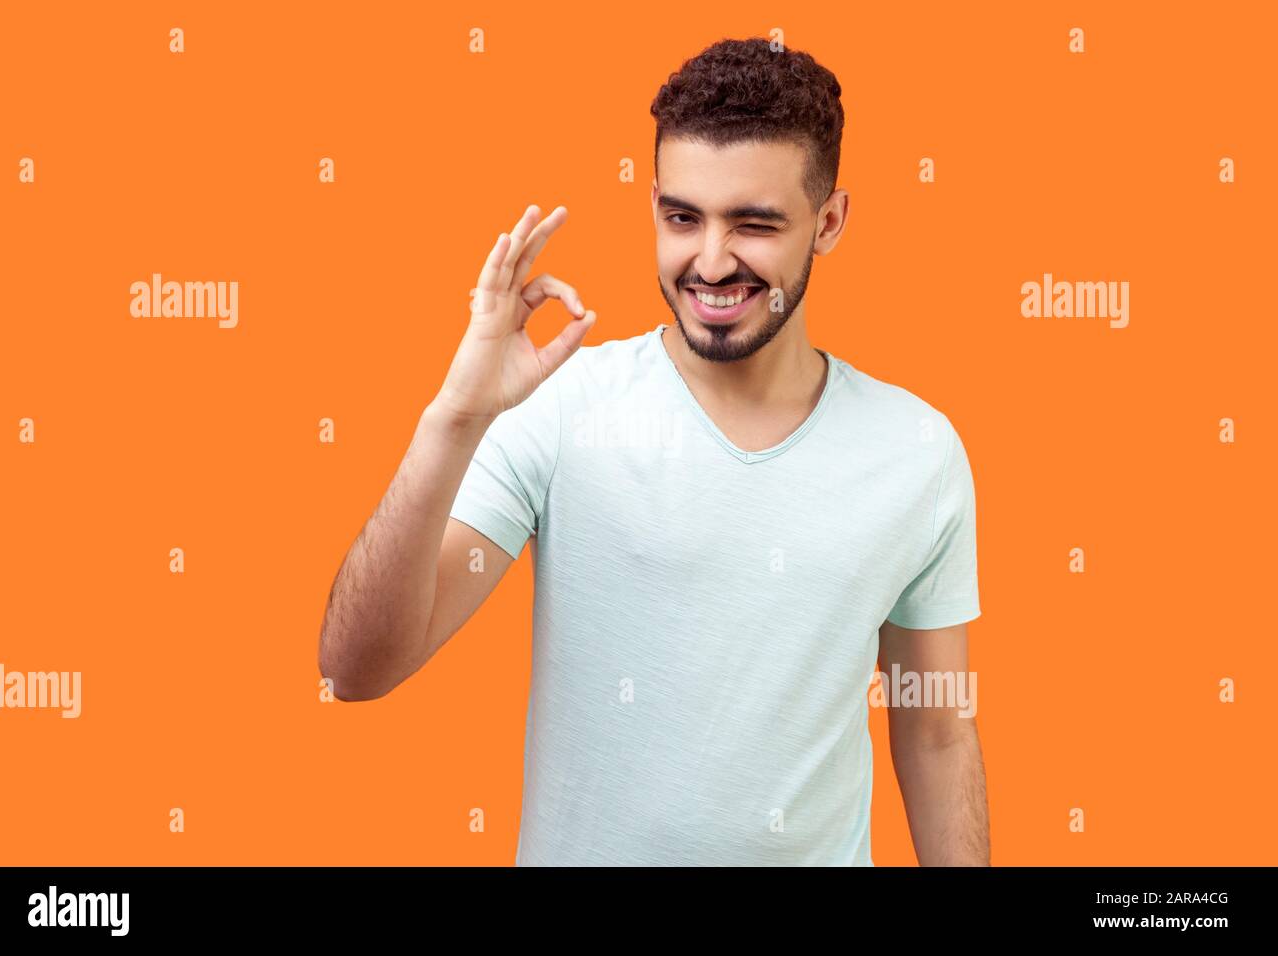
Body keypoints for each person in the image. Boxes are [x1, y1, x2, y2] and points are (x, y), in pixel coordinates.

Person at [318, 37, 988, 866]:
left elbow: (937, 737)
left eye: (754, 223)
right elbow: (357, 669)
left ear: (829, 221)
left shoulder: (914, 450)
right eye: (682, 217)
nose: (709, 263)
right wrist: (454, 418)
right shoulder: (564, 408)